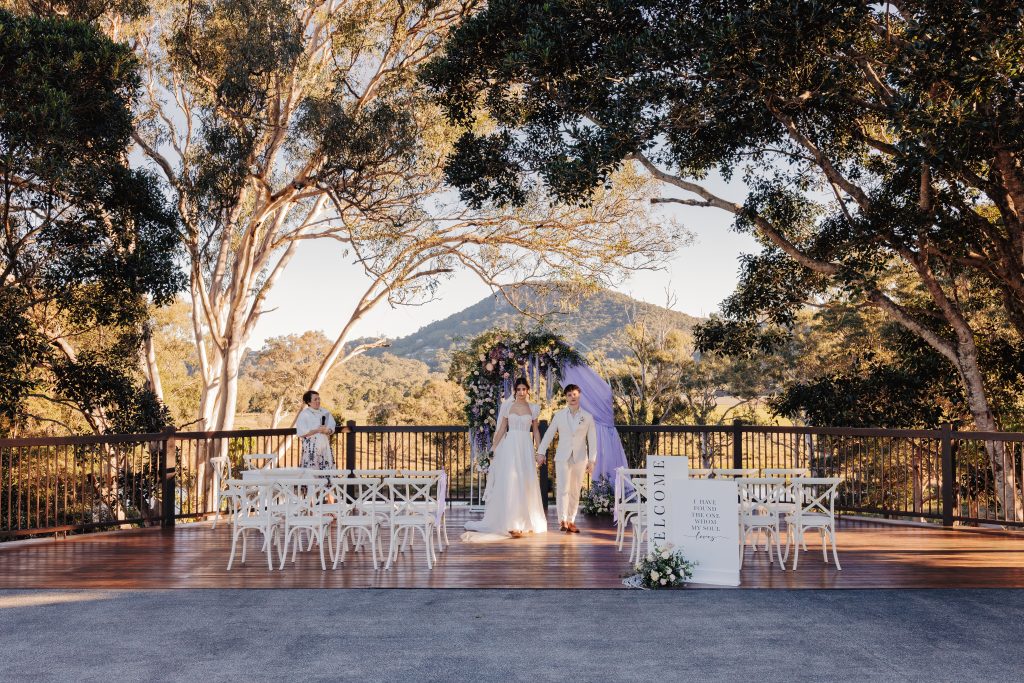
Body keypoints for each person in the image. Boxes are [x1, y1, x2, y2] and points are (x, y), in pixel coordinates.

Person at [462, 378, 548, 541]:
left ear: (528, 390)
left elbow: (536, 431)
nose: (522, 392)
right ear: (515, 390)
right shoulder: (508, 406)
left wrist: (540, 451)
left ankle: (525, 521)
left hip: (526, 447)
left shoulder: (534, 408)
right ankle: (512, 521)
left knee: (526, 481)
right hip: (510, 446)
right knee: (511, 481)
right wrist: (493, 448)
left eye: (524, 389)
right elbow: (502, 429)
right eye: (519, 389)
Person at [536, 384, 597, 533]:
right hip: (563, 457)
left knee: (575, 490)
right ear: (566, 398)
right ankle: (562, 520)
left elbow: (593, 440)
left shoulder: (588, 417)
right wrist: (541, 452)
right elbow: (549, 434)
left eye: (574, 394)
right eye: (569, 395)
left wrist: (592, 461)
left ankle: (571, 520)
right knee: (563, 489)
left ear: (579, 395)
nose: (572, 397)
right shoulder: (559, 415)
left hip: (581, 458)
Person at [296, 390, 336, 469]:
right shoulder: (304, 414)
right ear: (309, 402)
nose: (318, 401)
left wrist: (327, 431)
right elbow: (302, 432)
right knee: (312, 472)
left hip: (325, 447)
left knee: (327, 469)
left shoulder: (325, 411)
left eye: (318, 399)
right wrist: (317, 430)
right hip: (311, 448)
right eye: (315, 399)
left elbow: (332, 426)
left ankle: (327, 482)